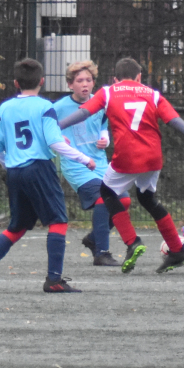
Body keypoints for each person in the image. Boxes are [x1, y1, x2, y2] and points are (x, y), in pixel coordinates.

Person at [56, 56, 184, 273]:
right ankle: (177, 249)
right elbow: (175, 121)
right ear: (139, 77)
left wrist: (57, 127)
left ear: (115, 79)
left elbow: (84, 112)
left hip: (127, 157)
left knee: (107, 193)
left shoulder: (108, 92)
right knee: (147, 199)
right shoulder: (153, 94)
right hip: (153, 158)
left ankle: (132, 242)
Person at [0, 57, 102, 293]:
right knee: (58, 221)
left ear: (15, 83)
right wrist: (84, 159)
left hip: (15, 172)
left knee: (18, 226)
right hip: (39, 168)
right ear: (42, 81)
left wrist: (11, 165)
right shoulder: (44, 107)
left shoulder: (5, 108)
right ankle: (54, 280)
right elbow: (54, 142)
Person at [52, 60, 120, 267]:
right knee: (102, 199)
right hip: (76, 166)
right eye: (79, 80)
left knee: (123, 201)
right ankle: (102, 252)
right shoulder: (58, 108)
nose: (84, 84)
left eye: (88, 80)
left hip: (100, 163)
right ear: (70, 84)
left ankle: (93, 238)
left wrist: (105, 138)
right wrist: (58, 138)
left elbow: (103, 125)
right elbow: (46, 128)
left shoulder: (100, 103)